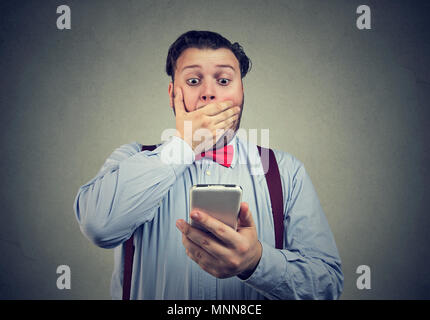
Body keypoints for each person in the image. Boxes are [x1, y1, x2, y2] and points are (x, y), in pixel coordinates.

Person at [73, 30, 343, 299]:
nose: (209, 94)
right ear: (172, 95)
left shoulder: (285, 171)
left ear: (241, 93)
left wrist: (256, 262)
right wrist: (185, 144)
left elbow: (327, 287)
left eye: (224, 80)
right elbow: (98, 226)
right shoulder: (131, 159)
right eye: (193, 80)